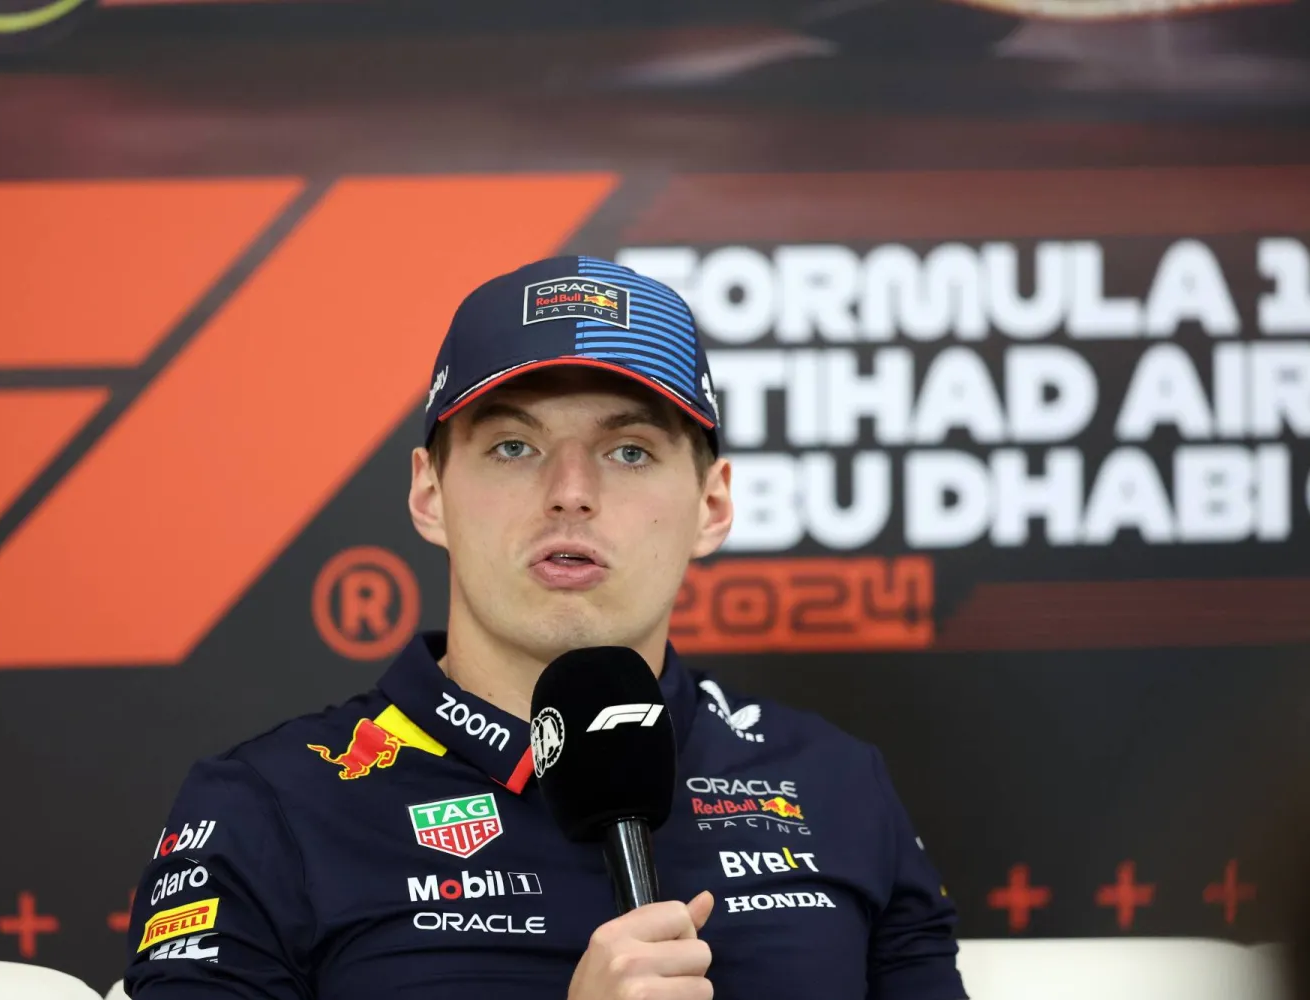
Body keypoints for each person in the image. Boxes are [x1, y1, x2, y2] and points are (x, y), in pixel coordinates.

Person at [122, 255, 966, 999]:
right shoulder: (270, 805)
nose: (570, 491)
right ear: (429, 494)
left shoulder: (835, 785)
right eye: (514, 448)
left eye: (629, 450)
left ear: (712, 506)